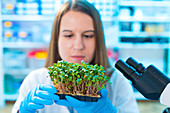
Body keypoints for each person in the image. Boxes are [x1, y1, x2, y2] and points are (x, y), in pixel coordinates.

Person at [12, 0, 140, 113]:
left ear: (99, 40)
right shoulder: (36, 80)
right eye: (68, 35)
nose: (78, 46)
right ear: (57, 39)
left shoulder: (118, 82)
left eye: (88, 35)